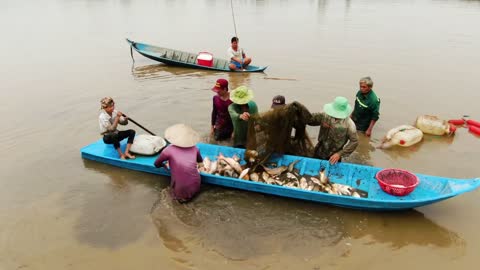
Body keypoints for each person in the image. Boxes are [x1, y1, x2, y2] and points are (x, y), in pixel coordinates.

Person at [154, 124, 203, 202]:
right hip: (196, 184)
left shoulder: (168, 150)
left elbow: (156, 164)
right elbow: (200, 161)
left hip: (181, 188)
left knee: (174, 200)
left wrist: (163, 164)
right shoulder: (195, 149)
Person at [308, 96, 358, 164]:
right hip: (320, 149)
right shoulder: (324, 115)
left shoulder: (349, 125)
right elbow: (310, 120)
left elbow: (354, 142)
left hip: (334, 155)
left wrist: (340, 154)